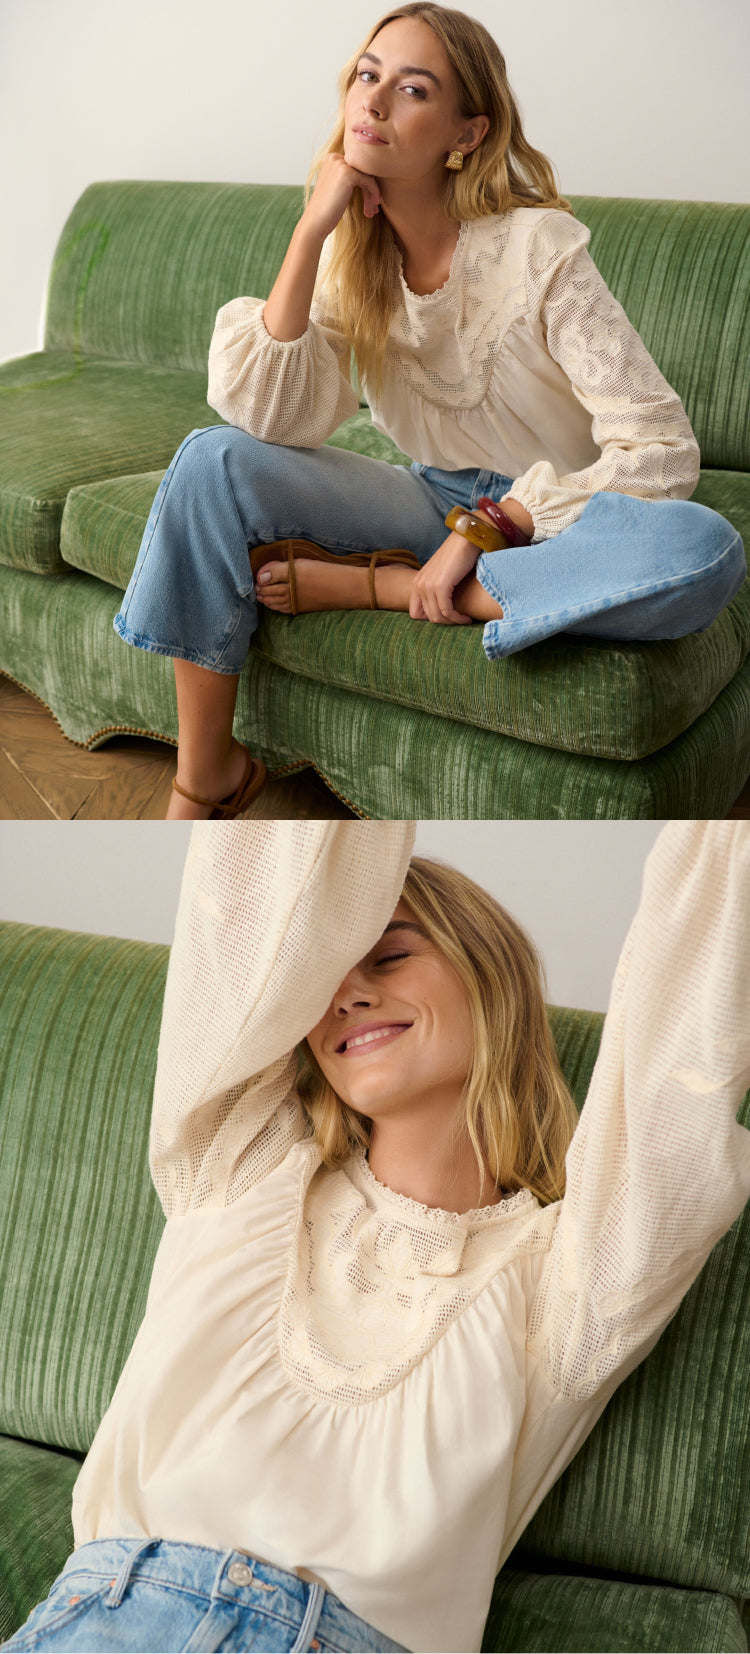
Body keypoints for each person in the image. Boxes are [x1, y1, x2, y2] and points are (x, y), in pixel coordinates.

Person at [4, 820, 750, 1654]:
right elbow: (271, 875)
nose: (346, 994)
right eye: (326, 975)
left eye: (390, 957)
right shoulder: (236, 1170)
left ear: (487, 977)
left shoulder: (570, 1289)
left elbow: (680, 1056)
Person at [111, 4, 746, 820]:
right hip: (426, 497)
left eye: (411, 88)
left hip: (558, 515)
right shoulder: (351, 256)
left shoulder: (538, 249)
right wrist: (311, 232)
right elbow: (270, 417)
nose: (373, 103)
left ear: (466, 133)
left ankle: (381, 589)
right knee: (211, 460)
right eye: (366, 77)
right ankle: (208, 779)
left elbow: (659, 447)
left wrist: (488, 529)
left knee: (706, 549)